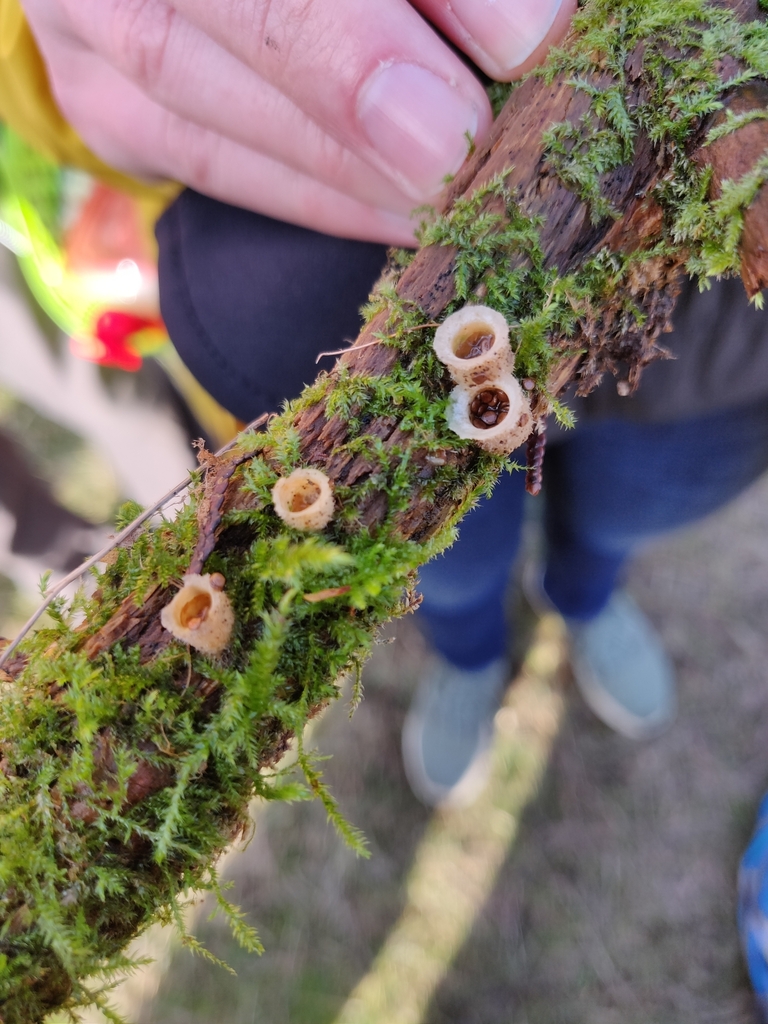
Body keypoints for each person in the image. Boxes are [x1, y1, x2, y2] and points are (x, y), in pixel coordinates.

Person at [6, 0, 768, 814]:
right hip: (324, 291)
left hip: (723, 354)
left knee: (626, 512)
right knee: (447, 561)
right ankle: (471, 654)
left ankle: (582, 597)